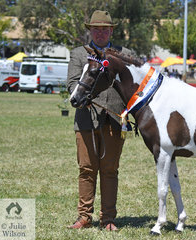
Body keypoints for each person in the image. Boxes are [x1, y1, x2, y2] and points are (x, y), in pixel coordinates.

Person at [67, 10, 131, 231]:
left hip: (114, 119)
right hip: (85, 120)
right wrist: (80, 98)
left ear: (111, 30)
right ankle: (84, 216)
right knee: (86, 169)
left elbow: (132, 86)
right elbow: (72, 83)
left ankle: (109, 219)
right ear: (90, 31)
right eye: (96, 28)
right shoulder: (78, 54)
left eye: (105, 28)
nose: (101, 32)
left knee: (110, 170)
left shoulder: (124, 54)